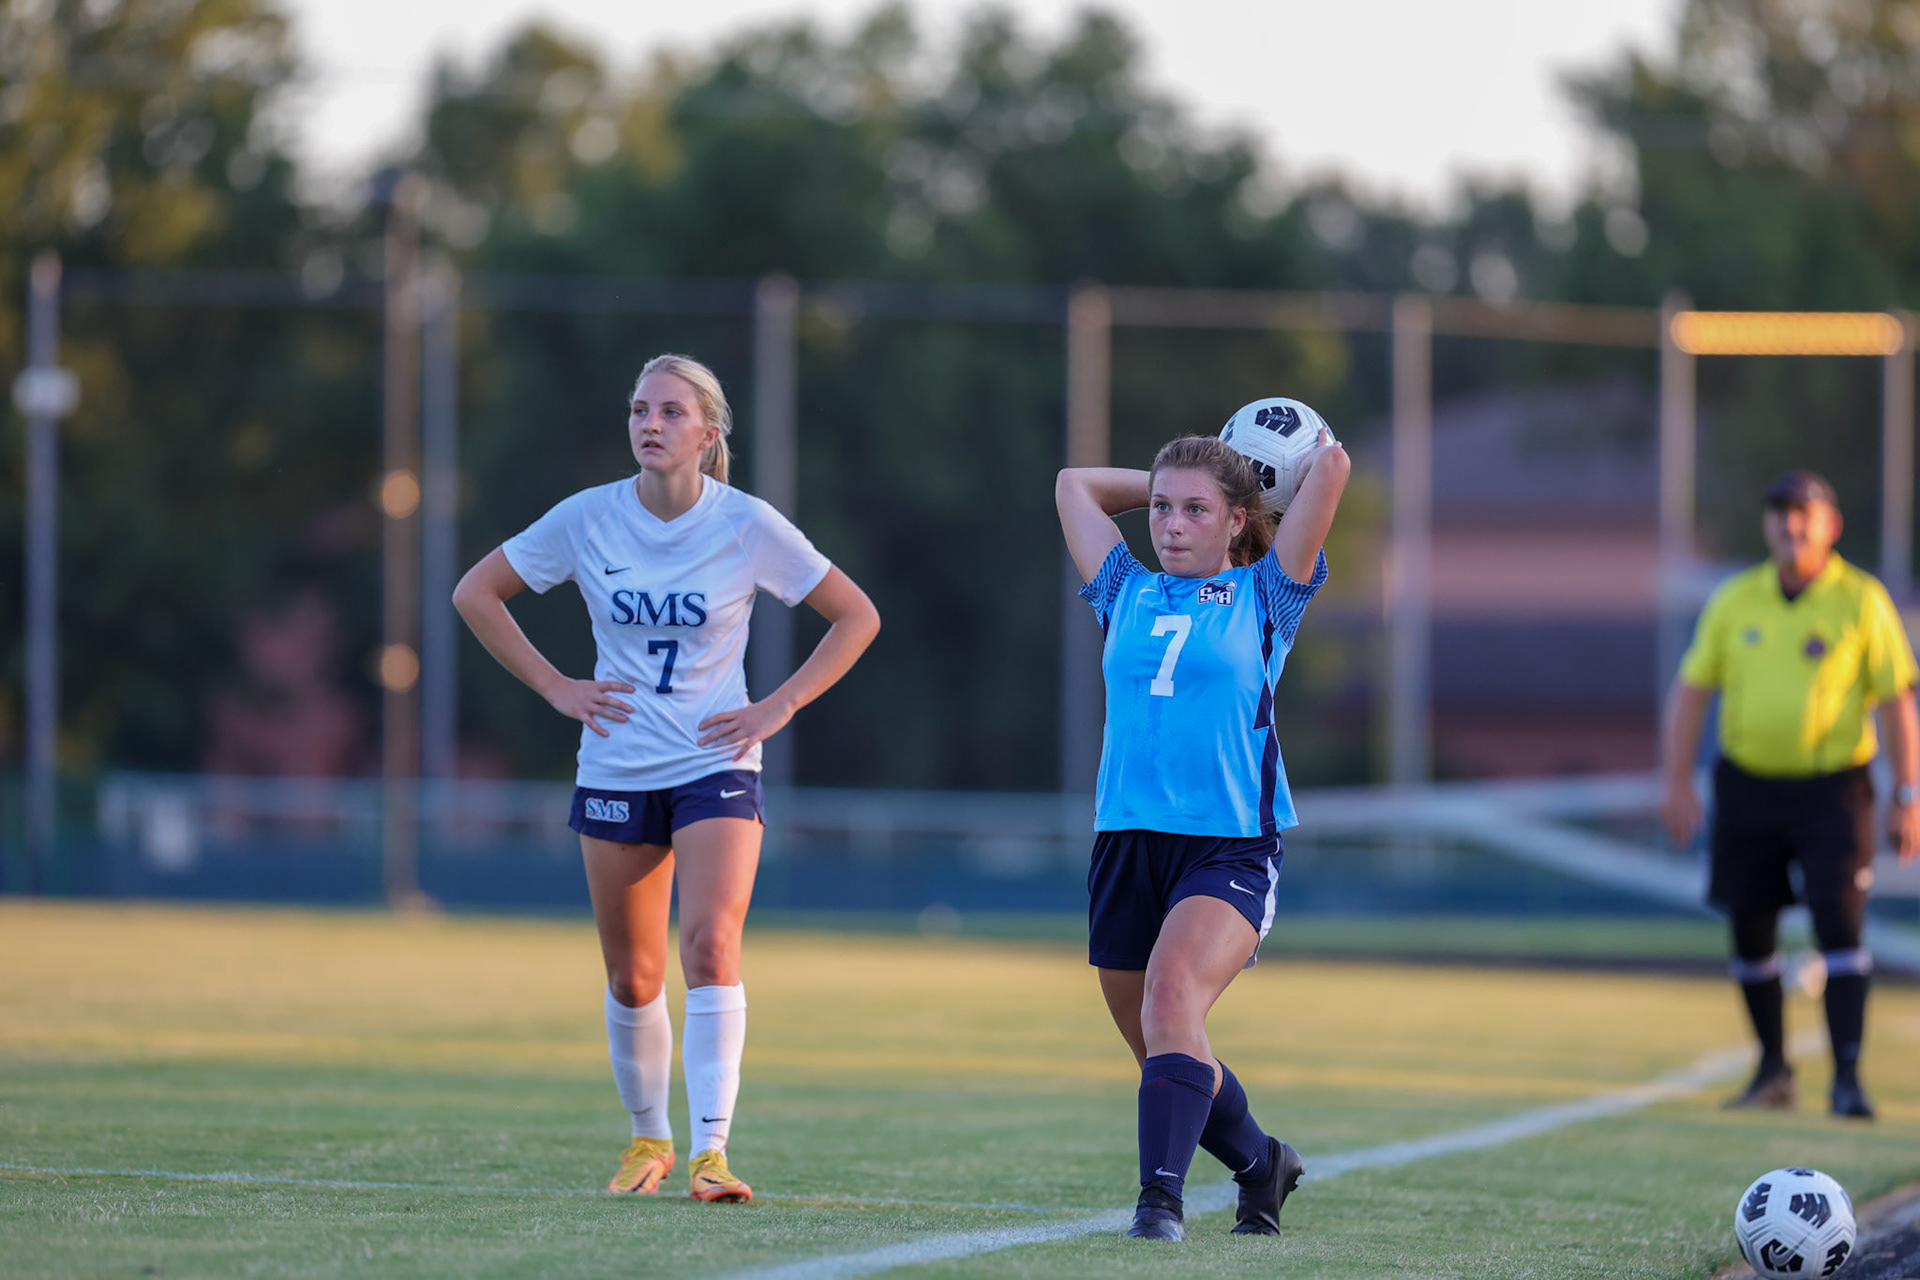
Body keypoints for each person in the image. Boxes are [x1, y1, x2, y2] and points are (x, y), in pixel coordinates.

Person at [453, 353, 880, 1199]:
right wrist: (557, 687)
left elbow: (856, 615)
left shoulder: (746, 522)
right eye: (640, 410)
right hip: (616, 760)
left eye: (671, 412)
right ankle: (647, 1140)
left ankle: (711, 1153)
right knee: (632, 975)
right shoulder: (587, 518)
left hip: (716, 761)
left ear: (708, 433)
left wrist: (778, 707)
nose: (651, 424)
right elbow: (477, 593)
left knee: (711, 946)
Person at [1055, 425, 1349, 1240]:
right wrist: (1177, 474)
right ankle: (1262, 1164)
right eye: (1159, 507)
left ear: (1236, 521)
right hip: (1125, 839)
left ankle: (1160, 1205)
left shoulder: (1267, 597)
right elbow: (1073, 485)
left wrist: (1253, 471)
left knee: (1171, 997)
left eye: (1195, 510)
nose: (1171, 524)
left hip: (1227, 846)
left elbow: (1330, 466)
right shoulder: (1126, 591)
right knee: (1161, 1040)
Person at [1660, 470, 1919, 1119]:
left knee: (1839, 924)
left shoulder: (1860, 600)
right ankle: (1773, 1071)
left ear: (1830, 525)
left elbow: (1896, 701)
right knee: (1750, 928)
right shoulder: (1736, 599)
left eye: (1804, 512)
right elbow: (1692, 690)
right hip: (1747, 785)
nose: (1791, 524)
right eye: (1779, 512)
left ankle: (1849, 1079)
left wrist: (1907, 792)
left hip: (1834, 789)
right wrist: (1675, 783)